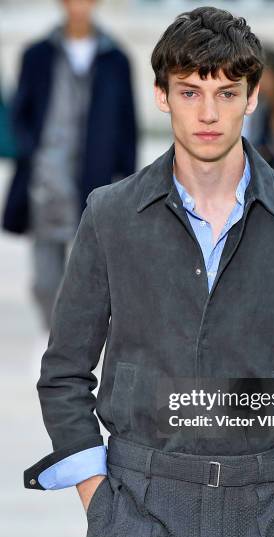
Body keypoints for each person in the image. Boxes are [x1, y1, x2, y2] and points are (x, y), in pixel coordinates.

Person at [24, 7, 274, 537]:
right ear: (161, 96)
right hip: (135, 515)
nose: (208, 114)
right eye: (190, 92)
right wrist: (97, 498)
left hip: (265, 518)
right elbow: (63, 373)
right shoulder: (110, 217)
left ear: (253, 97)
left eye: (225, 93)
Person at [2, 0, 137, 329]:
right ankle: (53, 338)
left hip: (96, 178)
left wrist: (128, 181)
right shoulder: (36, 55)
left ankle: (74, 348)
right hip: (45, 181)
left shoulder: (116, 59)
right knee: (46, 279)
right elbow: (21, 111)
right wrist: (29, 149)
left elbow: (126, 124)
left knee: (91, 277)